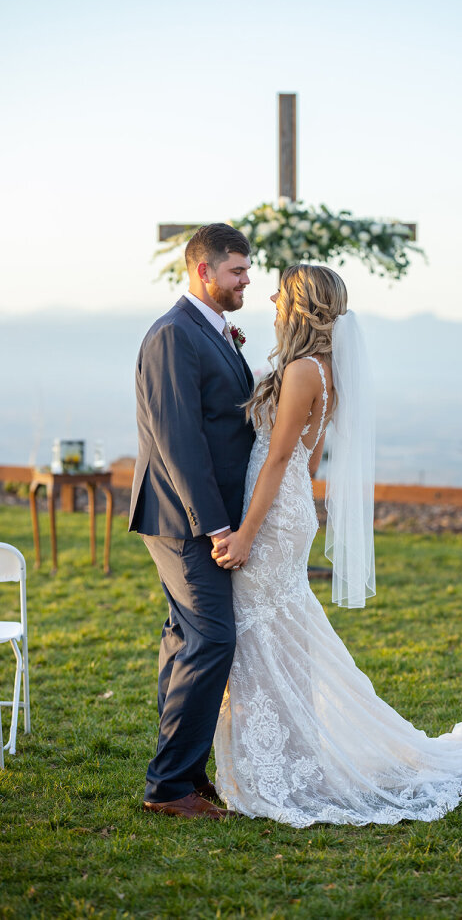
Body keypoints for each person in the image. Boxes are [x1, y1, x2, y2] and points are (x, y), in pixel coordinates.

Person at [211, 264, 462, 827]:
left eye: (281, 293)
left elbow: (281, 457)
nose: (271, 298)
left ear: (300, 306)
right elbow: (311, 458)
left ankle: (279, 765)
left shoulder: (302, 371)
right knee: (281, 632)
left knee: (262, 631)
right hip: (291, 509)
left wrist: (246, 533)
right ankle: (288, 755)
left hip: (272, 517)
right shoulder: (326, 369)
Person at [129, 223, 255, 820]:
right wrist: (217, 526)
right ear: (204, 271)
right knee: (212, 638)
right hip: (184, 519)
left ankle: (185, 772)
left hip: (199, 515)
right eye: (237, 270)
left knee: (185, 639)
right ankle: (168, 786)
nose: (247, 280)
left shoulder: (211, 331)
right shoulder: (173, 335)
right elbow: (178, 440)